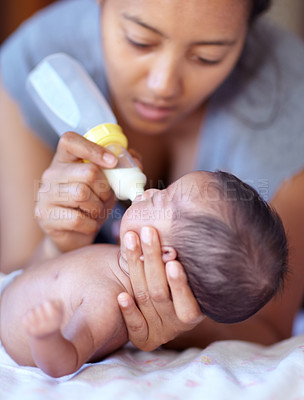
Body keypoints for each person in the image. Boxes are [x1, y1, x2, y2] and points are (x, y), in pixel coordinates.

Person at [0, 0, 304, 352]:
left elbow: (267, 327)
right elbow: (13, 285)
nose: (162, 85)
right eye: (140, 41)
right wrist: (59, 244)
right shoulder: (36, 66)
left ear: (248, 31)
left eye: (207, 57)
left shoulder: (289, 104)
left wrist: (173, 327)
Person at [0, 171, 288, 377]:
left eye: (161, 201)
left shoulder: (108, 303)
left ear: (163, 256)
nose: (150, 192)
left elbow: (64, 362)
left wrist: (47, 336)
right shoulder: (117, 263)